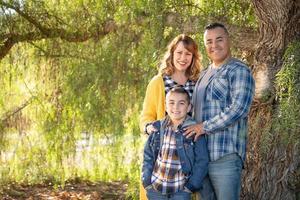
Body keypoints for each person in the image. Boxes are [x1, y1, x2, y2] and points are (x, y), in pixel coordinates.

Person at [184, 23, 255, 200]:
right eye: (209, 42)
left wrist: (203, 127)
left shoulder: (239, 70)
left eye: (219, 39)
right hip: (201, 157)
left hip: (224, 156)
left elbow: (239, 108)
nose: (214, 45)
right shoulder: (204, 74)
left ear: (228, 40)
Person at [139, 34, 201, 200]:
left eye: (188, 54)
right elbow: (146, 115)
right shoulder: (158, 82)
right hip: (162, 156)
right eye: (179, 53)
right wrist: (148, 127)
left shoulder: (197, 82)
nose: (183, 58)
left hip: (186, 157)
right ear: (172, 54)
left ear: (193, 57)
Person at [142, 87, 209, 200]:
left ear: (188, 107)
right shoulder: (157, 127)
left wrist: (191, 187)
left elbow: (202, 160)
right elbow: (147, 155)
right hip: (155, 188)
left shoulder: (194, 130)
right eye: (171, 103)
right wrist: (146, 182)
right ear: (166, 106)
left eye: (181, 103)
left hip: (180, 190)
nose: (176, 107)